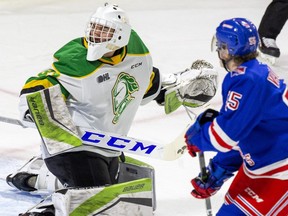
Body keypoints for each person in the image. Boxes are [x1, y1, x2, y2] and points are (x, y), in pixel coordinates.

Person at [8, 3, 218, 216]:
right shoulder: (75, 59)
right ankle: (47, 210)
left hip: (107, 146)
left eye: (104, 30)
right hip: (73, 146)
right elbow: (41, 83)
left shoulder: (137, 53)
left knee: (122, 194)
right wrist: (34, 107)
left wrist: (175, 86)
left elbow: (142, 83)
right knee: (99, 205)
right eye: (94, 27)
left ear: (120, 36)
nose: (95, 34)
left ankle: (38, 174)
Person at [185, 17, 288, 215]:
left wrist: (200, 137)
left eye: (220, 47)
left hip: (280, 171)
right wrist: (219, 170)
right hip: (263, 164)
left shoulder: (247, 80)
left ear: (226, 50)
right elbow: (245, 132)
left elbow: (224, 137)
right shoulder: (253, 72)